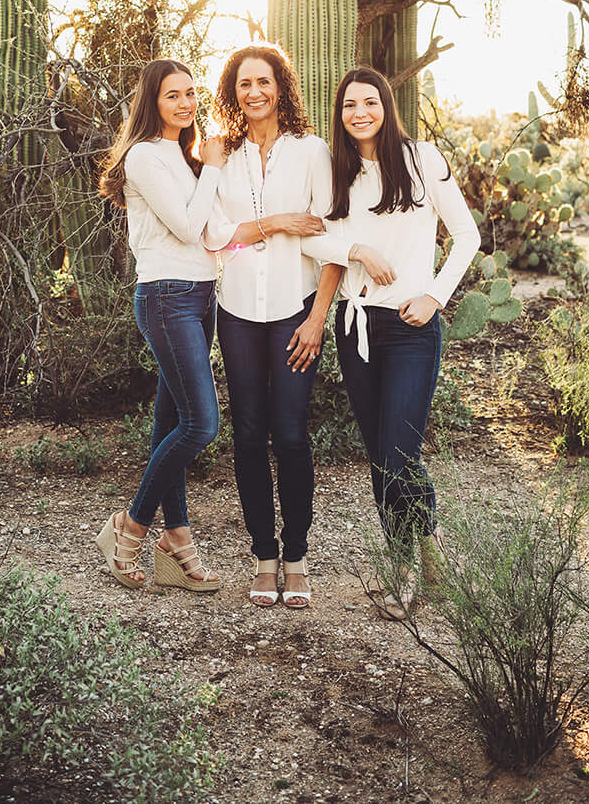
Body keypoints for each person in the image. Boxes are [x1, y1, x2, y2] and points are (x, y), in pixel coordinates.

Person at [306, 67, 480, 619]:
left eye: (369, 103)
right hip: (357, 326)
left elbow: (468, 236)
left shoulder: (422, 160)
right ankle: (422, 556)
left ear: (386, 105)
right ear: (340, 114)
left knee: (399, 451)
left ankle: (407, 569)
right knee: (381, 456)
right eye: (349, 105)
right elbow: (319, 240)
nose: (359, 113)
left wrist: (433, 295)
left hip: (410, 327)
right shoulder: (340, 171)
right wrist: (356, 248)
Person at [203, 44, 341, 609]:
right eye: (243, 85)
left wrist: (317, 318)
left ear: (280, 85)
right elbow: (215, 235)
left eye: (263, 81)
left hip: (294, 310)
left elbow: (331, 239)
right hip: (236, 312)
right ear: (233, 94)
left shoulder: (312, 152)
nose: (254, 92)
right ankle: (263, 556)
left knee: (290, 434)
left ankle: (298, 554)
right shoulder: (221, 155)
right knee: (248, 436)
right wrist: (274, 222)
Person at [93, 58, 224, 593]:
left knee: (170, 419)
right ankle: (131, 526)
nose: (186, 103)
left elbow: (213, 231)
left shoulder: (183, 157)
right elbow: (190, 227)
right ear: (152, 102)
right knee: (201, 424)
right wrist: (213, 166)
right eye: (173, 95)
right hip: (167, 296)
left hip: (200, 295)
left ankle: (177, 540)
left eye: (192, 94)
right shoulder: (144, 157)